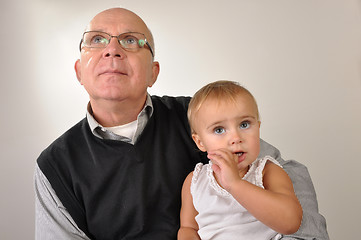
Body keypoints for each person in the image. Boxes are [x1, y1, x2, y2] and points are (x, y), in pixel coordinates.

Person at [34, 7, 329, 240]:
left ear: (153, 72)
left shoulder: (199, 116)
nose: (112, 50)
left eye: (131, 40)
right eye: (96, 40)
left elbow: (280, 169)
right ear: (78, 71)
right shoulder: (55, 166)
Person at [178, 81, 303, 240]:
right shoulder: (194, 181)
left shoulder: (267, 171)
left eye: (244, 124)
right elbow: (188, 228)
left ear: (258, 128)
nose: (236, 138)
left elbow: (291, 222)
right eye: (219, 130)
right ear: (200, 142)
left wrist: (235, 184)